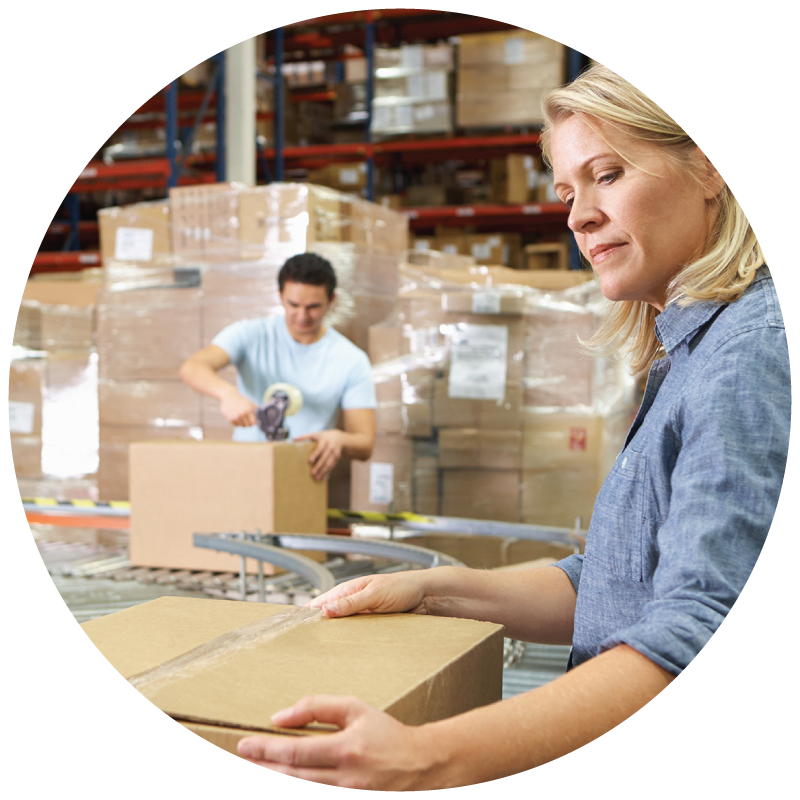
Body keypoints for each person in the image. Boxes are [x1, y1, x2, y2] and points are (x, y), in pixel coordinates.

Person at [234, 65, 789, 788]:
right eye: (567, 192)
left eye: (608, 174)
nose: (578, 216)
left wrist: (427, 758)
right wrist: (438, 587)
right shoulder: (688, 350)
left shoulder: (750, 351)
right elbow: (616, 581)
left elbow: (696, 630)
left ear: (708, 167)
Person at [178, 252, 376, 481]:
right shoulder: (250, 334)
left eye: (313, 307)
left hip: (303, 478)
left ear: (332, 300)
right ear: (280, 295)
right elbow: (192, 368)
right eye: (293, 304)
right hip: (243, 473)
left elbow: (364, 443)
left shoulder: (351, 360)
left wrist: (339, 439)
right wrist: (228, 394)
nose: (302, 316)